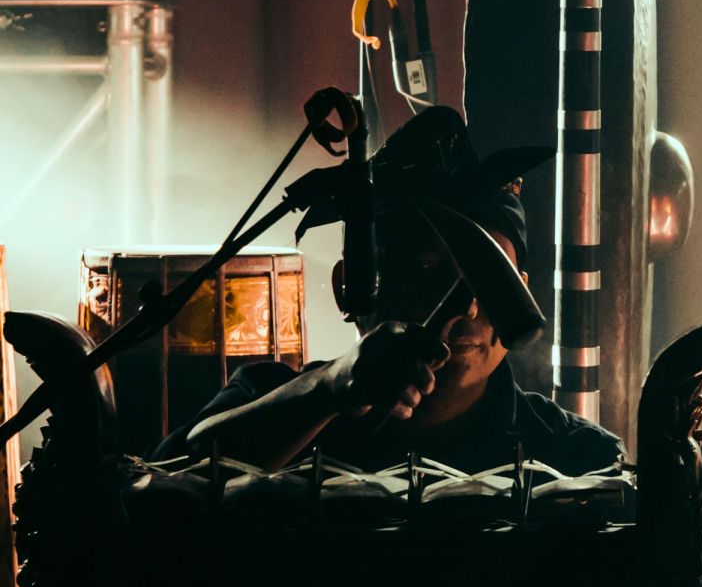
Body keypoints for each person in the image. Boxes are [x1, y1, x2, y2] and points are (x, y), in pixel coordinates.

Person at [158, 106, 623, 476]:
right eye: (422, 271)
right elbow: (163, 488)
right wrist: (326, 391)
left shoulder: (575, 459)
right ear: (347, 288)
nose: (466, 307)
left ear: (520, 290)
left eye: (489, 278)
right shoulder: (270, 401)